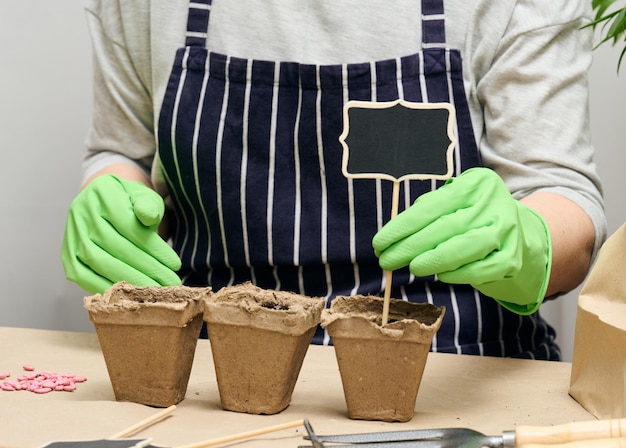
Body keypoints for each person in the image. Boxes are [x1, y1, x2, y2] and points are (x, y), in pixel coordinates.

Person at [62, 0, 606, 360]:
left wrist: (526, 240)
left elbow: (565, 200)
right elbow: (123, 148)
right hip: (210, 372)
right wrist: (111, 200)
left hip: (450, 375)